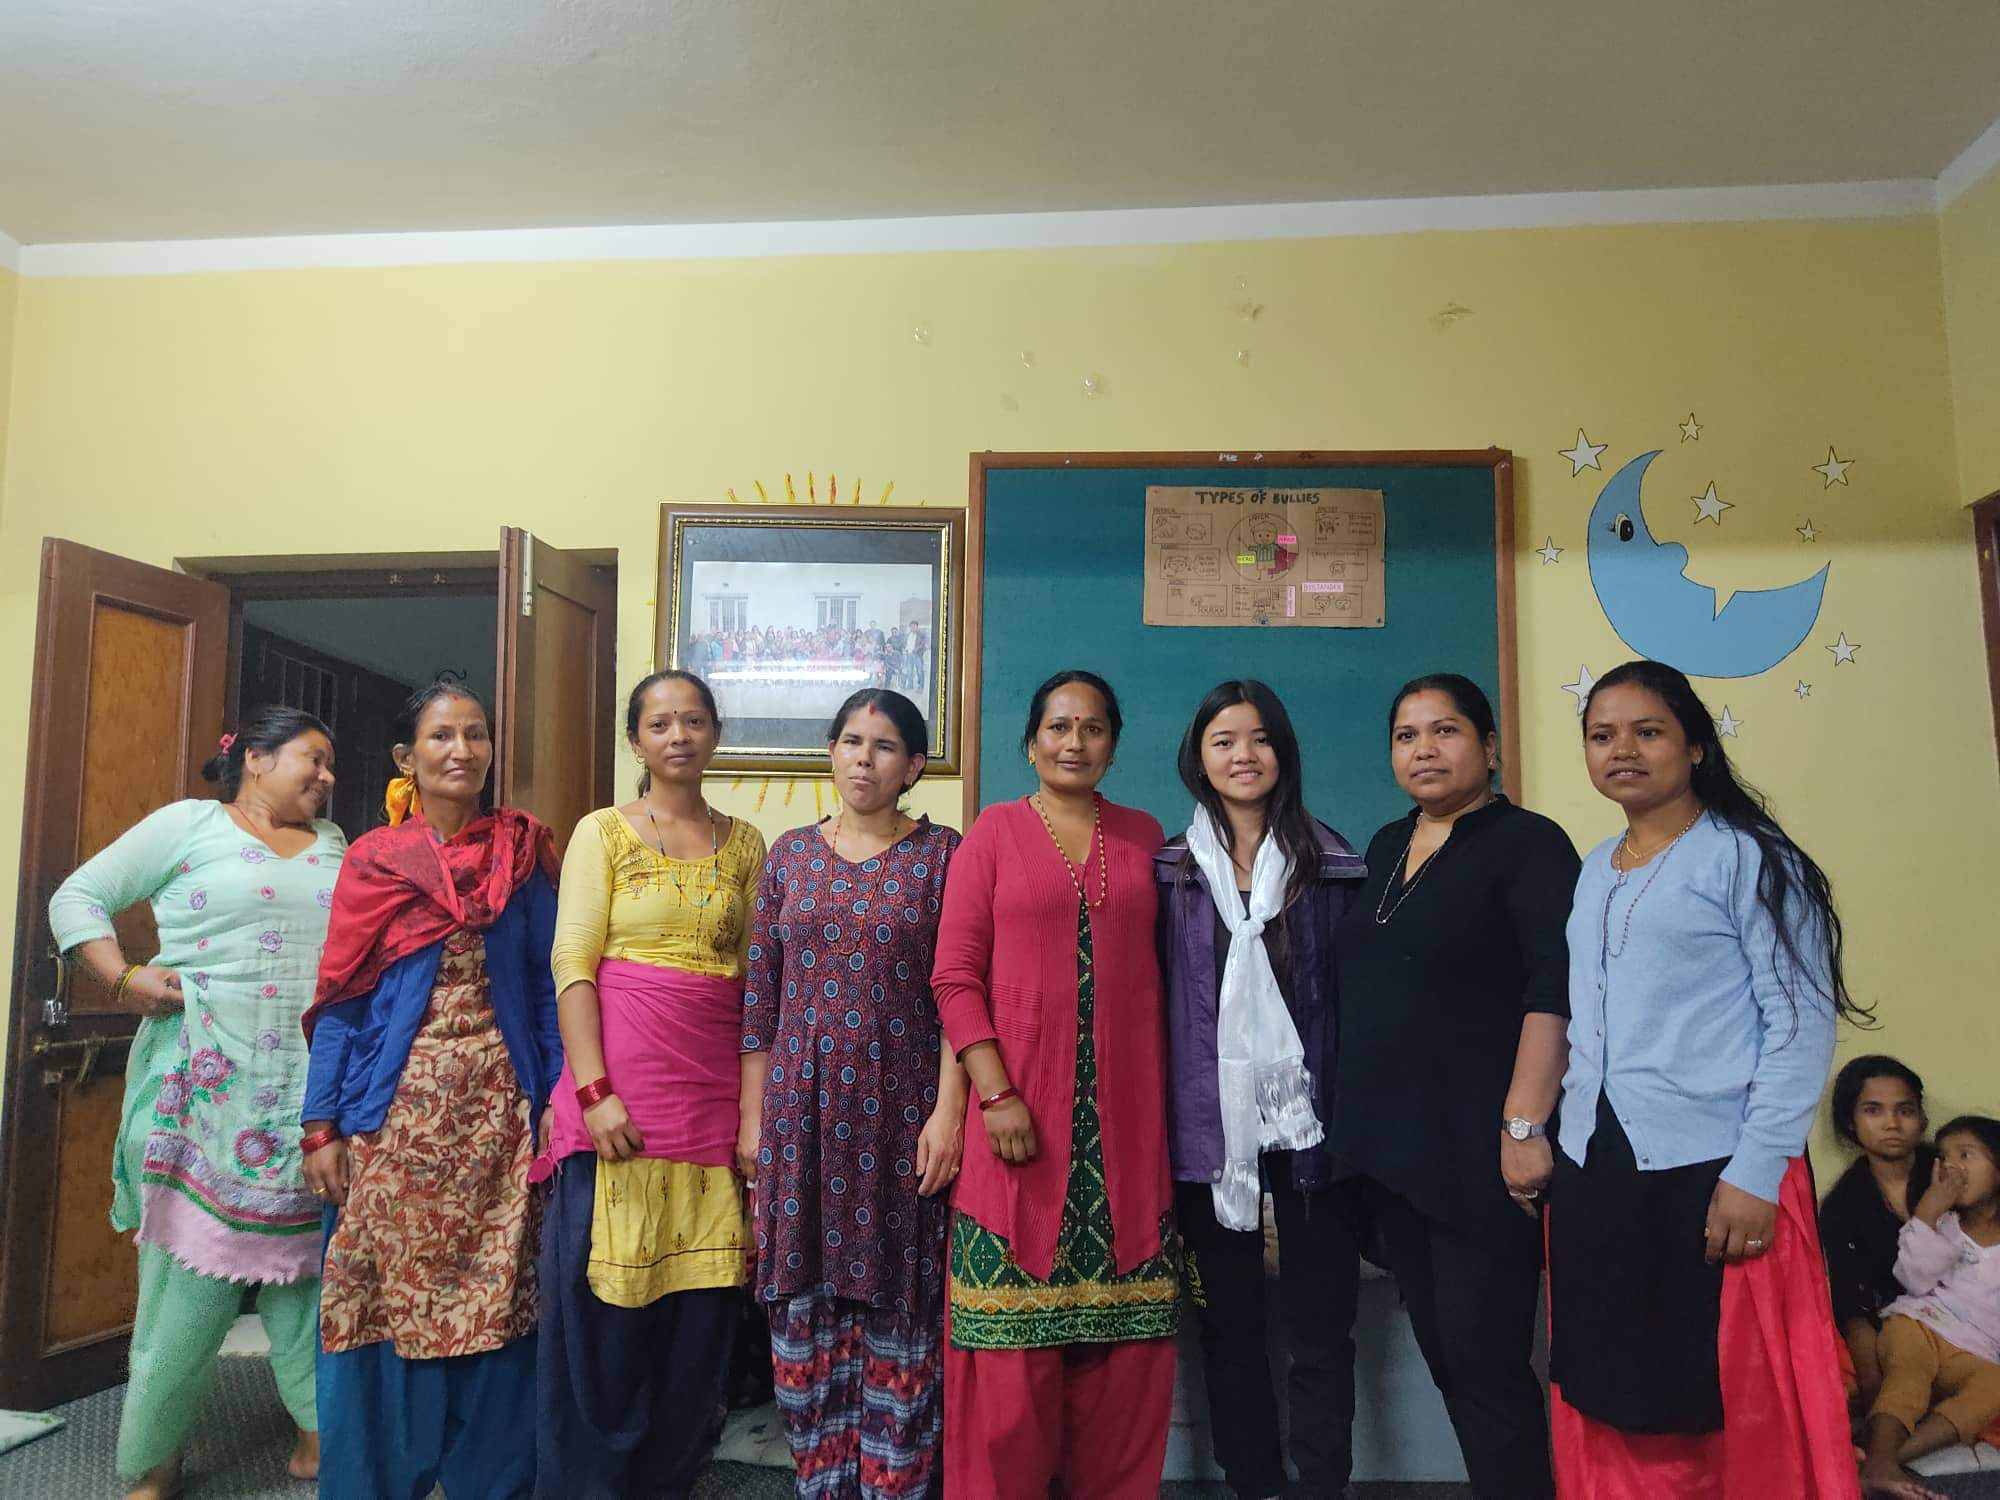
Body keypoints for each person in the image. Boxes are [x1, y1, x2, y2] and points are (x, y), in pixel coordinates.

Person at [1550, 659, 1864, 1499]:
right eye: (1602, 735)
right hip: (1600, 1162)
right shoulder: (1595, 867)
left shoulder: (1749, 859)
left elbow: (1799, 1025)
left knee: (1720, 1396)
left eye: (1647, 732)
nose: (1622, 750)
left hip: (1717, 1169)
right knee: (1615, 1382)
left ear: (1693, 746)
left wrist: (1756, 1173)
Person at [49, 707, 342, 1500]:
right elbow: (78, 896)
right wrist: (123, 977)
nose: (326, 776)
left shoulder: (335, 843)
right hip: (201, 1091)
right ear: (256, 758)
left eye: (330, 764)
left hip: (303, 1095)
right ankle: (154, 1457)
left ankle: (318, 1431)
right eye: (312, 759)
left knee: (307, 1278)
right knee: (187, 1289)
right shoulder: (189, 825)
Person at [303, 680, 561, 1500]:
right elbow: (342, 1000)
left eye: (475, 734)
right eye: (442, 735)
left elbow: (549, 985)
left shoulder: (520, 852)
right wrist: (321, 1124)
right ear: (406, 757)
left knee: (503, 1301)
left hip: (502, 1116)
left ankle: (493, 1481)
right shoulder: (375, 860)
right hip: (392, 1117)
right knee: (382, 1305)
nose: (462, 750)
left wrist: (554, 1097)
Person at [932, 669, 1180, 1499]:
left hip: (1127, 1133)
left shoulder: (1146, 836)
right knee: (1008, 1379)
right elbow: (954, 978)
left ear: (1114, 743)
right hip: (1016, 1126)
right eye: (1059, 727)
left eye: (1093, 728)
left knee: (1125, 1367)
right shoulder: (992, 834)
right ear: (1031, 741)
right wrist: (995, 1094)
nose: (1075, 742)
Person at [1328, 673, 1578, 1499]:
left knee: (1485, 1362)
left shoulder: (1530, 844)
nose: (1424, 750)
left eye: (1446, 731)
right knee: (1448, 1359)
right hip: (1394, 1158)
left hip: (1482, 1154)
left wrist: (1524, 1127)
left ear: (1490, 747)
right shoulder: (1387, 842)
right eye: (1407, 736)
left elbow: (1555, 990)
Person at [538, 669, 769, 1500]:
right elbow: (573, 962)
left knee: (698, 1317)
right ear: (636, 740)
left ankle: (667, 1481)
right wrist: (594, 1092)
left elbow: (755, 982)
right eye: (661, 723)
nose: (679, 735)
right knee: (604, 1316)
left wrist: (752, 1116)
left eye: (694, 721)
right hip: (619, 1100)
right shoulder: (602, 832)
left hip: (711, 1101)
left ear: (715, 734)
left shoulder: (748, 845)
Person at [741, 687, 965, 1498]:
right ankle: (822, 1481)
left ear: (913, 766)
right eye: (851, 742)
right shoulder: (789, 856)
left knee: (900, 1309)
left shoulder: (944, 856)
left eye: (884, 746)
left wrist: (950, 1114)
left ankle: (893, 1483)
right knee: (804, 1310)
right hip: (800, 1119)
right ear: (832, 752)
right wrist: (753, 1123)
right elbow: (760, 1002)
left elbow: (961, 992)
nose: (864, 759)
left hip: (903, 1117)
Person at [1155, 680, 1366, 1500]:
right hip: (1210, 1132)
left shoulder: (1336, 866)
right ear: (1198, 758)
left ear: (1284, 751)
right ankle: (1254, 1480)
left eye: (1259, 738)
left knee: (1322, 1329)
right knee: (1230, 1327)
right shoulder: (1169, 873)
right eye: (1224, 741)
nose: (1243, 755)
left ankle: (1321, 1483)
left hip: (1313, 1130)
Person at [1859, 1115, 2000, 1499]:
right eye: (1944, 1157)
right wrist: (1926, 1214)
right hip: (1919, 1323)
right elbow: (1915, 1279)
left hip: (1975, 1349)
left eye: (1966, 1155)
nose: (1952, 1167)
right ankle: (1881, 1459)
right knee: (1908, 1375)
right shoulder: (1946, 1224)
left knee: (1993, 1389)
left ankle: (1886, 1460)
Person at [1821, 1056, 1937, 1408]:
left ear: (1921, 1119)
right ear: (1850, 1122)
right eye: (1873, 1110)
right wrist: (1874, 1384)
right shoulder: (1843, 1205)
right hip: (1902, 1333)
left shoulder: (1950, 1175)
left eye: (1905, 1110)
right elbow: (1851, 1304)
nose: (1892, 1124)